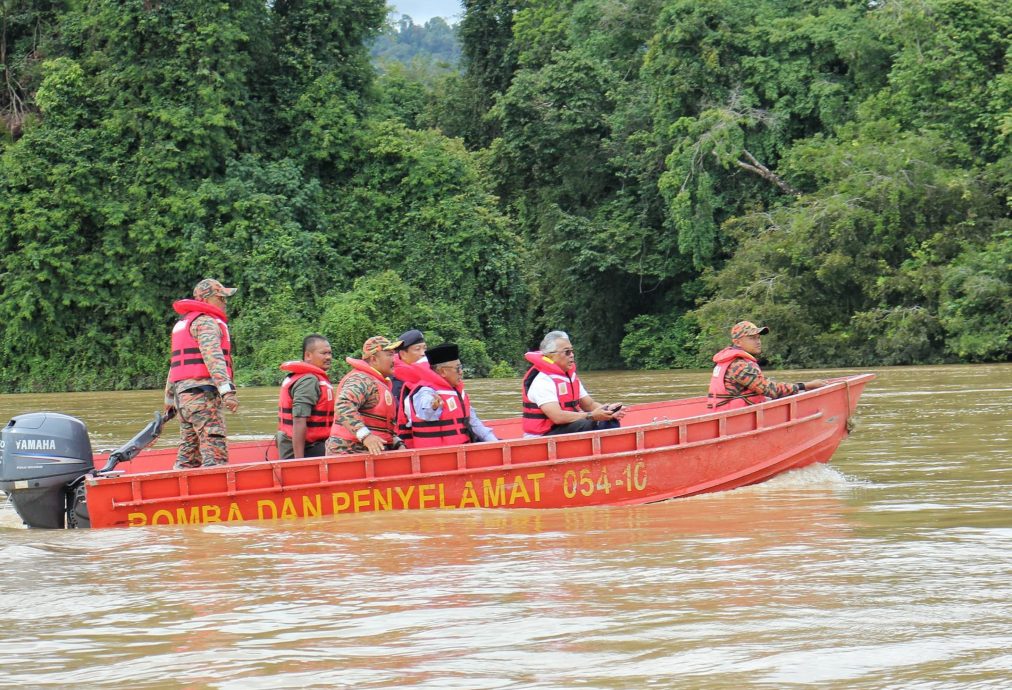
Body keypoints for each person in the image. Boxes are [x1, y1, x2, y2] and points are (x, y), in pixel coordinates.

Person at [163, 278, 240, 469]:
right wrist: (227, 392)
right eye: (221, 298)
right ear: (207, 300)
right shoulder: (206, 322)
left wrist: (170, 400)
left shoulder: (184, 324)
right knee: (215, 450)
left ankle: (180, 492)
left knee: (188, 453)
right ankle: (217, 490)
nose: (225, 302)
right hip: (202, 396)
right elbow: (213, 358)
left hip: (184, 400)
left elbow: (174, 366)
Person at [521, 330, 627, 438]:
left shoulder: (569, 377)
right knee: (592, 422)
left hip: (564, 428)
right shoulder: (543, 381)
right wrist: (592, 416)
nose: (572, 355)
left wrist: (608, 411)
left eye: (572, 351)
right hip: (543, 436)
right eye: (567, 352)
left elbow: (589, 405)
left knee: (608, 419)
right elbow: (557, 417)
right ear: (550, 355)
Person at [707, 321, 828, 409]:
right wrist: (806, 385)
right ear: (737, 342)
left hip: (730, 412)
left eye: (758, 338)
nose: (758, 342)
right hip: (734, 418)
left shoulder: (733, 361)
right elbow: (771, 390)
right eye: (752, 338)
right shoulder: (739, 366)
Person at [326, 336, 405, 456]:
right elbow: (343, 405)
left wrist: (398, 444)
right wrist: (366, 436)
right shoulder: (361, 379)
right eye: (389, 354)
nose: (394, 359)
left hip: (371, 455)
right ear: (373, 359)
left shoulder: (378, 382)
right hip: (349, 454)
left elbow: (382, 427)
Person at [409, 342, 498, 446]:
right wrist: (434, 407)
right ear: (442, 372)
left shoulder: (458, 392)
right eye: (457, 368)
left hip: (462, 450)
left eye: (461, 367)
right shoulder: (426, 392)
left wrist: (493, 441)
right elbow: (425, 413)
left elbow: (474, 422)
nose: (461, 372)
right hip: (438, 455)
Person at [276, 335, 335, 459]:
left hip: (313, 444)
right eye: (323, 353)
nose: (328, 357)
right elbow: (299, 419)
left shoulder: (308, 377)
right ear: (308, 355)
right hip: (305, 448)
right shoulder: (309, 380)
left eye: (330, 353)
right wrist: (299, 461)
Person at [391, 328, 429, 444]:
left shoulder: (431, 376)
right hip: (401, 441)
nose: (423, 353)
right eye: (417, 349)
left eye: (424, 348)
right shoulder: (393, 381)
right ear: (403, 354)